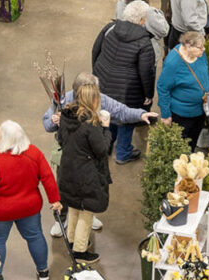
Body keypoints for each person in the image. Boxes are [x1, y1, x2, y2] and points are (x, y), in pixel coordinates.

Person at [42, 72, 157, 237]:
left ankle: (88, 213)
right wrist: (53, 122)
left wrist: (140, 114)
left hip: (90, 155)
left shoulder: (99, 97)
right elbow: (46, 123)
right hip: (66, 154)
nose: (95, 98)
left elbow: (120, 111)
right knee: (65, 186)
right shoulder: (63, 99)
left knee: (89, 186)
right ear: (78, 93)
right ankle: (61, 219)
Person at [0, 120, 60, 280]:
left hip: (0, 211)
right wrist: (54, 200)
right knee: (35, 236)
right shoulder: (34, 153)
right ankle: (43, 272)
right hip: (29, 208)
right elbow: (47, 177)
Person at [91, 0, 157, 164]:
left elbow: (95, 50)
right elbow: (146, 72)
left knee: (108, 113)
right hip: (128, 90)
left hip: (103, 82)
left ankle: (106, 146)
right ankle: (123, 153)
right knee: (126, 119)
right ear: (142, 20)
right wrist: (148, 94)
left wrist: (97, 73)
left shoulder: (110, 28)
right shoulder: (144, 43)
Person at [57, 82, 111, 264]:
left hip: (68, 170)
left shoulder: (66, 117)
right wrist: (106, 128)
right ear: (93, 99)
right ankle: (80, 251)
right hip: (86, 175)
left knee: (73, 207)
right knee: (86, 213)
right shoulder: (91, 123)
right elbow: (102, 150)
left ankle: (72, 241)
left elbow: (60, 139)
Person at [157, 31, 209, 150]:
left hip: (200, 111)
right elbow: (163, 88)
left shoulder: (200, 55)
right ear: (188, 46)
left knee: (192, 144)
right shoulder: (173, 63)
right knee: (181, 148)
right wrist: (166, 115)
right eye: (200, 47)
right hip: (182, 116)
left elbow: (205, 74)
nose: (203, 49)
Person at [116, 0, 170, 64]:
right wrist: (158, 13)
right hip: (146, 55)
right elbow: (164, 30)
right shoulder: (147, 12)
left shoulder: (122, 1)